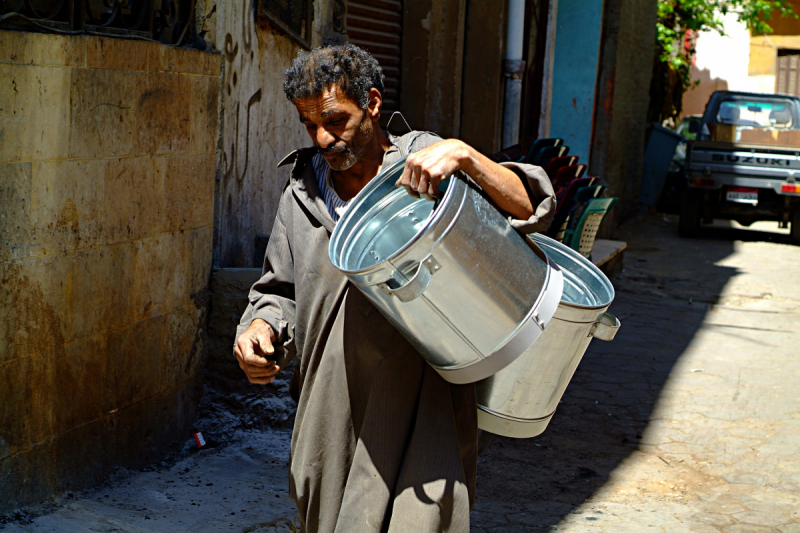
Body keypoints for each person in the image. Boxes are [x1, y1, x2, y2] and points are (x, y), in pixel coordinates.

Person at [234, 44, 556, 533]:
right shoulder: (301, 192)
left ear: (373, 104)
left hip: (426, 413)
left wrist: (464, 155)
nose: (322, 138)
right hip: (329, 414)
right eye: (308, 126)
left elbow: (525, 204)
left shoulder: (427, 165)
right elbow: (279, 289)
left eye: (336, 120)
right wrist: (259, 326)